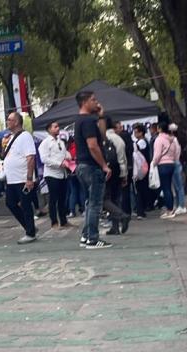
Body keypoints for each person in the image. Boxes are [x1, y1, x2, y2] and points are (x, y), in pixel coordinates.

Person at [74, 91, 112, 249]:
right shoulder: (88, 121)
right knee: (95, 203)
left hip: (82, 166)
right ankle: (93, 239)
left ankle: (86, 235)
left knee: (90, 202)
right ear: (84, 102)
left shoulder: (82, 120)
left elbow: (102, 136)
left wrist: (101, 116)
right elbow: (93, 145)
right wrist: (103, 164)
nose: (96, 102)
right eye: (93, 100)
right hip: (91, 166)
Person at [4, 112, 38, 244]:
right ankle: (29, 227)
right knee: (10, 203)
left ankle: (30, 232)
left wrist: (29, 178)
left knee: (25, 205)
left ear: (16, 122)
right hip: (12, 179)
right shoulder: (11, 137)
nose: (7, 122)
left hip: (22, 178)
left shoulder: (25, 136)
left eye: (9, 120)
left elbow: (30, 158)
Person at [39, 121, 71, 229]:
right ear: (49, 129)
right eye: (55, 127)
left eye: (58, 126)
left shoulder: (60, 141)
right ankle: (54, 222)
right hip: (52, 174)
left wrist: (68, 157)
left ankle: (64, 220)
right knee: (53, 199)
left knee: (63, 198)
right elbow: (44, 159)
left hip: (63, 173)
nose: (58, 128)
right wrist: (58, 163)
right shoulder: (45, 142)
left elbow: (64, 152)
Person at [104, 117, 130, 235]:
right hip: (118, 170)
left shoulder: (103, 138)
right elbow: (122, 159)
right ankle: (115, 227)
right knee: (115, 198)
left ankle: (121, 216)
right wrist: (124, 175)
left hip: (106, 171)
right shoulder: (119, 139)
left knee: (104, 199)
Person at [152, 121, 180, 219]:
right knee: (169, 187)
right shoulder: (171, 140)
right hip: (171, 163)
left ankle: (169, 210)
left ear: (159, 128)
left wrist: (154, 163)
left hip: (163, 164)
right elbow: (176, 152)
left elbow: (157, 154)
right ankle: (171, 208)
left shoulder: (159, 139)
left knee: (166, 188)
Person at [115, 121, 135, 216]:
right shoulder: (123, 137)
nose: (119, 129)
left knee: (124, 190)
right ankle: (127, 211)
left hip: (125, 165)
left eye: (120, 127)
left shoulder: (123, 137)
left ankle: (125, 211)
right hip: (126, 165)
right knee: (125, 190)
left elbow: (128, 150)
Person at [169, 123, 187, 215]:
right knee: (176, 186)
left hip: (175, 163)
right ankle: (178, 204)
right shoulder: (176, 140)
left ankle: (182, 205)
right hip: (175, 162)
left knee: (179, 186)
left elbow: (175, 153)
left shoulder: (174, 140)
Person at [132, 124, 150, 219]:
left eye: (136, 132)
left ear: (141, 132)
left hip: (141, 169)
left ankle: (140, 210)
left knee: (139, 190)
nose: (135, 134)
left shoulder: (141, 143)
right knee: (141, 189)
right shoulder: (143, 142)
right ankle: (142, 210)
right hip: (143, 168)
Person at [66, 137, 85, 218]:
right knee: (81, 190)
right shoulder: (78, 147)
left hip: (70, 172)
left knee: (73, 192)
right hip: (79, 170)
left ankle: (72, 211)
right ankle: (83, 210)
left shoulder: (67, 148)